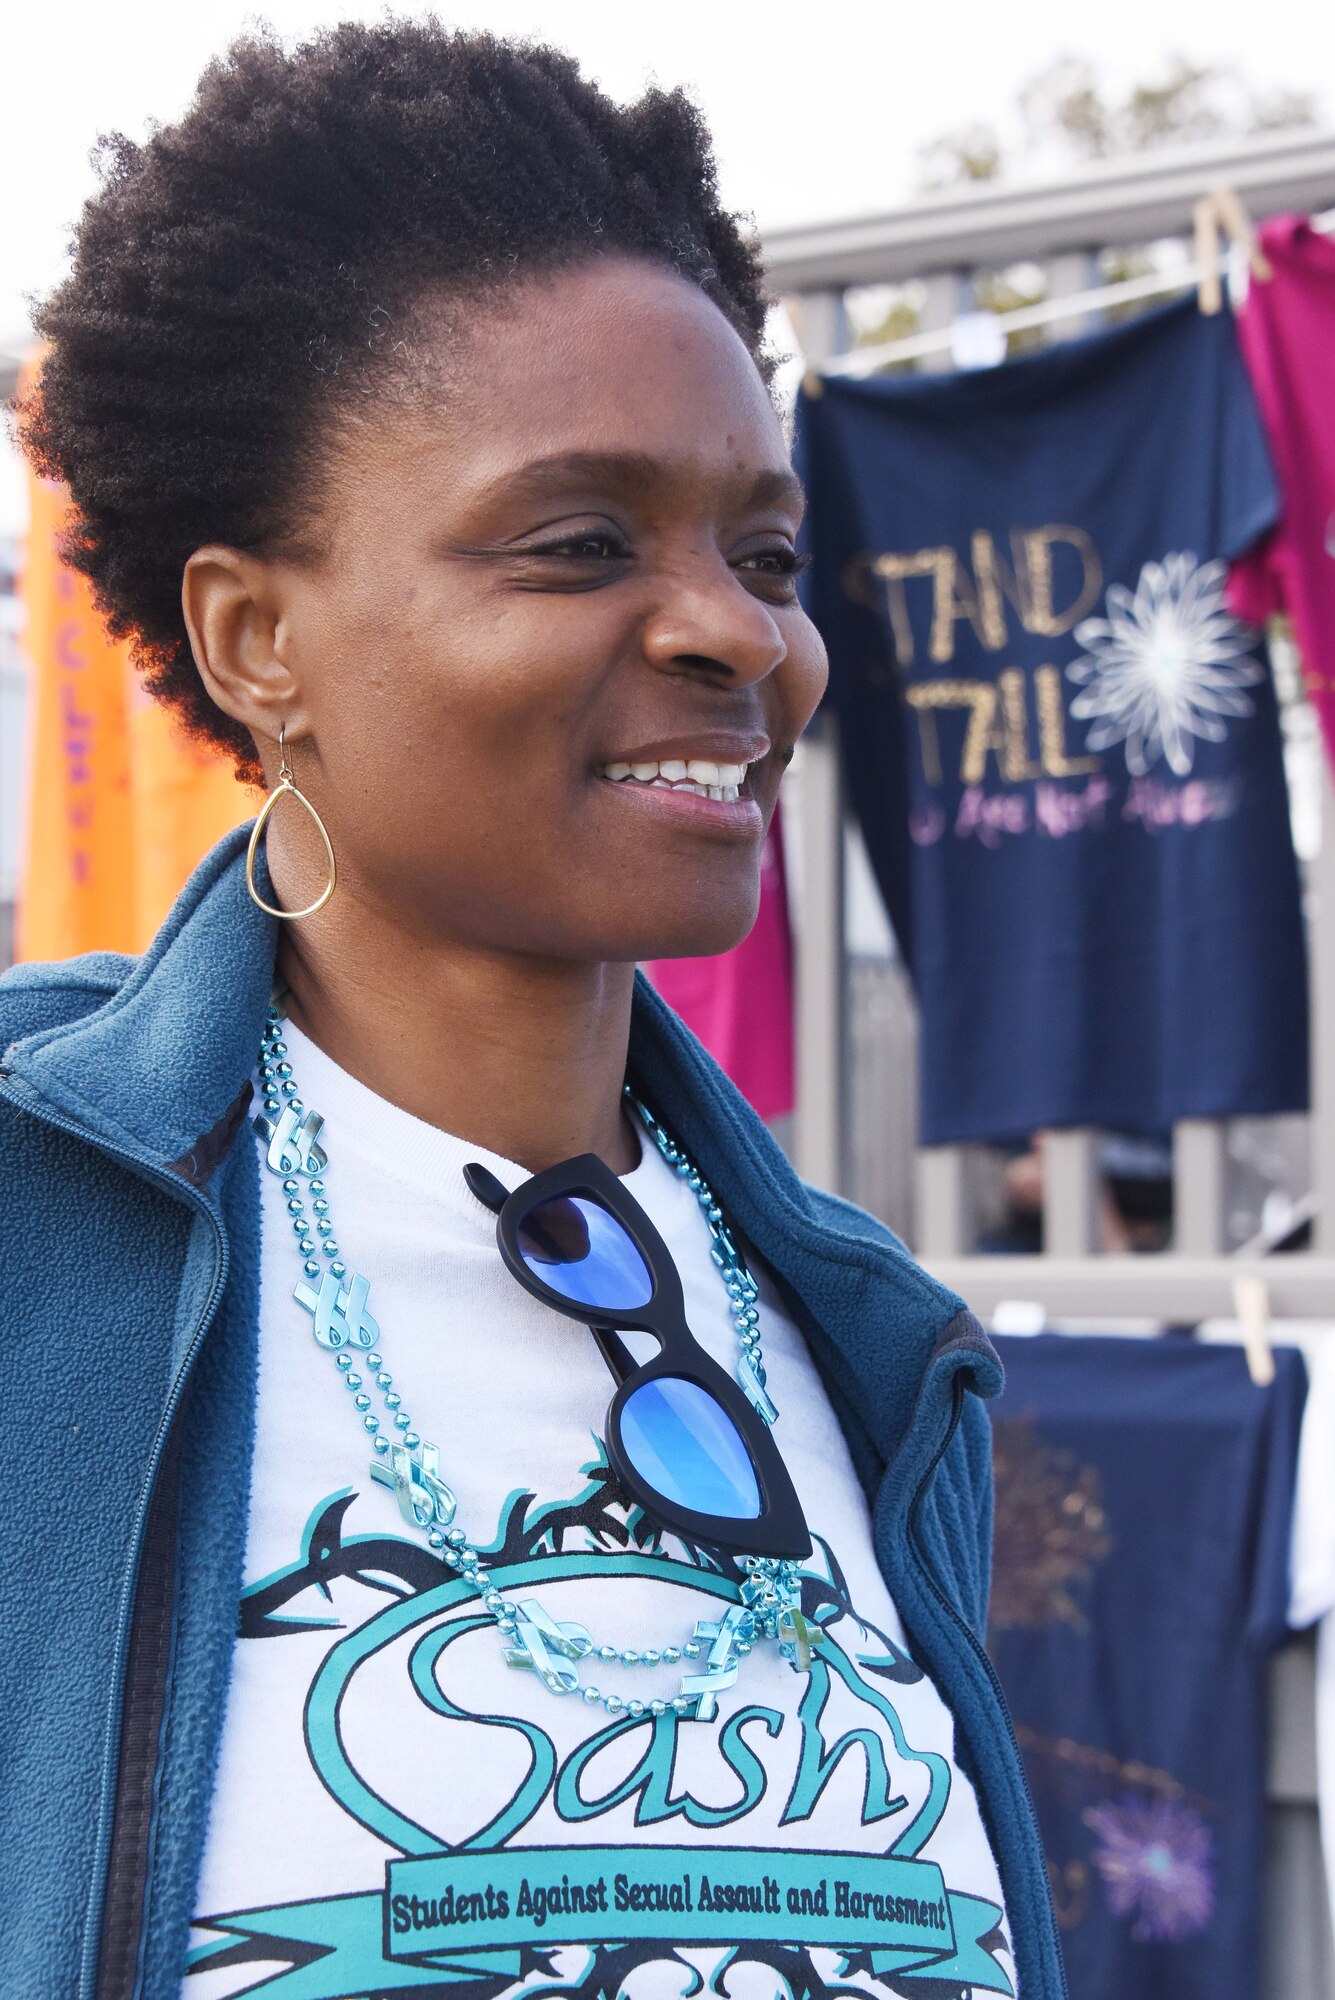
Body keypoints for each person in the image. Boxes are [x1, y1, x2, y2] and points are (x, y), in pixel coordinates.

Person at [1, 25, 1061, 2000]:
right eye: (579, 543)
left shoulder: (869, 1338)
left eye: (766, 553)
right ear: (255, 639)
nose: (737, 630)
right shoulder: (37, 1238)